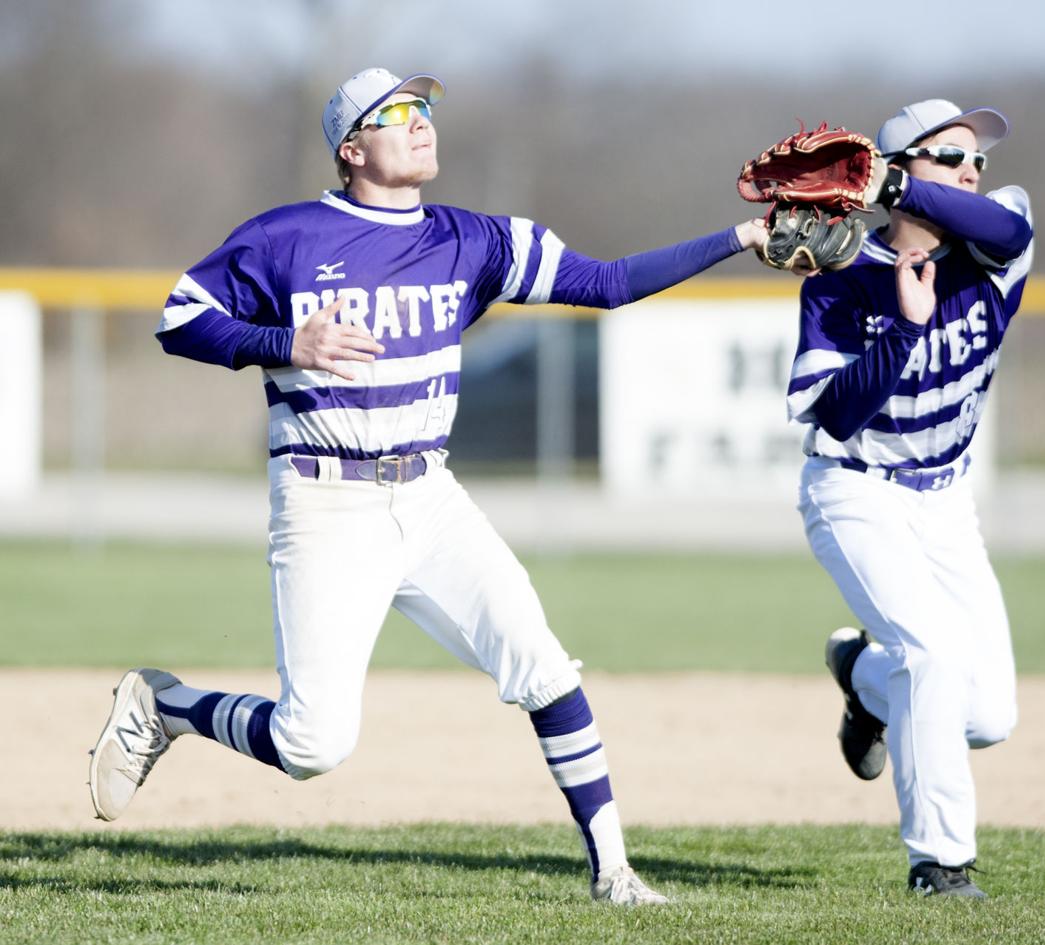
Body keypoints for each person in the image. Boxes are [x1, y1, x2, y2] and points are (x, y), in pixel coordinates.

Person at [88, 66, 768, 907]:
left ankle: (614, 873)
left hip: (429, 495)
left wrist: (739, 240)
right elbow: (178, 318)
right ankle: (170, 706)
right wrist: (283, 341)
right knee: (313, 744)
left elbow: (608, 282)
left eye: (425, 110)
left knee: (544, 667)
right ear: (351, 146)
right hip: (326, 498)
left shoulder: (469, 237)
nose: (421, 124)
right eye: (398, 113)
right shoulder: (287, 236)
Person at [787, 99, 1034, 898]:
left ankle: (862, 676)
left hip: (944, 501)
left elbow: (1007, 229)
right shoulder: (840, 280)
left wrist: (897, 184)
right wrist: (901, 327)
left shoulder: (998, 242)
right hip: (855, 490)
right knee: (929, 653)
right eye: (951, 157)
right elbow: (833, 412)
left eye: (978, 162)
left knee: (987, 714)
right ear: (903, 167)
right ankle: (940, 863)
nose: (972, 172)